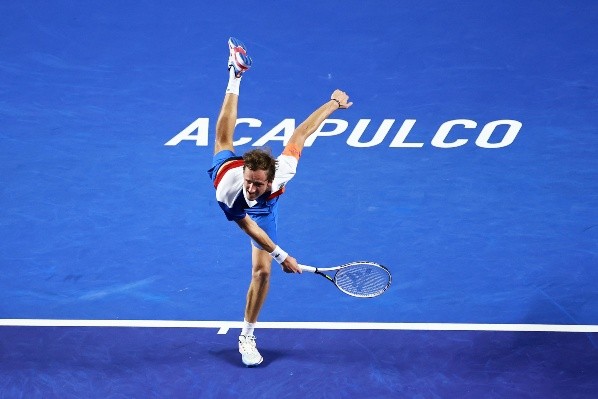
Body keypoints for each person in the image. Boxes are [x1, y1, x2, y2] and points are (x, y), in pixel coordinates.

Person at [207, 37, 352, 367]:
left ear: (270, 180)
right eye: (250, 182)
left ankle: (246, 334)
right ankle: (236, 75)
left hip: (266, 214)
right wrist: (282, 254)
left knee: (262, 274)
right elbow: (245, 224)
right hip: (236, 194)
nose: (253, 189)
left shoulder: (283, 171)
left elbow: (300, 134)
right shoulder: (228, 187)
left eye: (258, 184)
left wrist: (332, 104)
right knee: (221, 141)